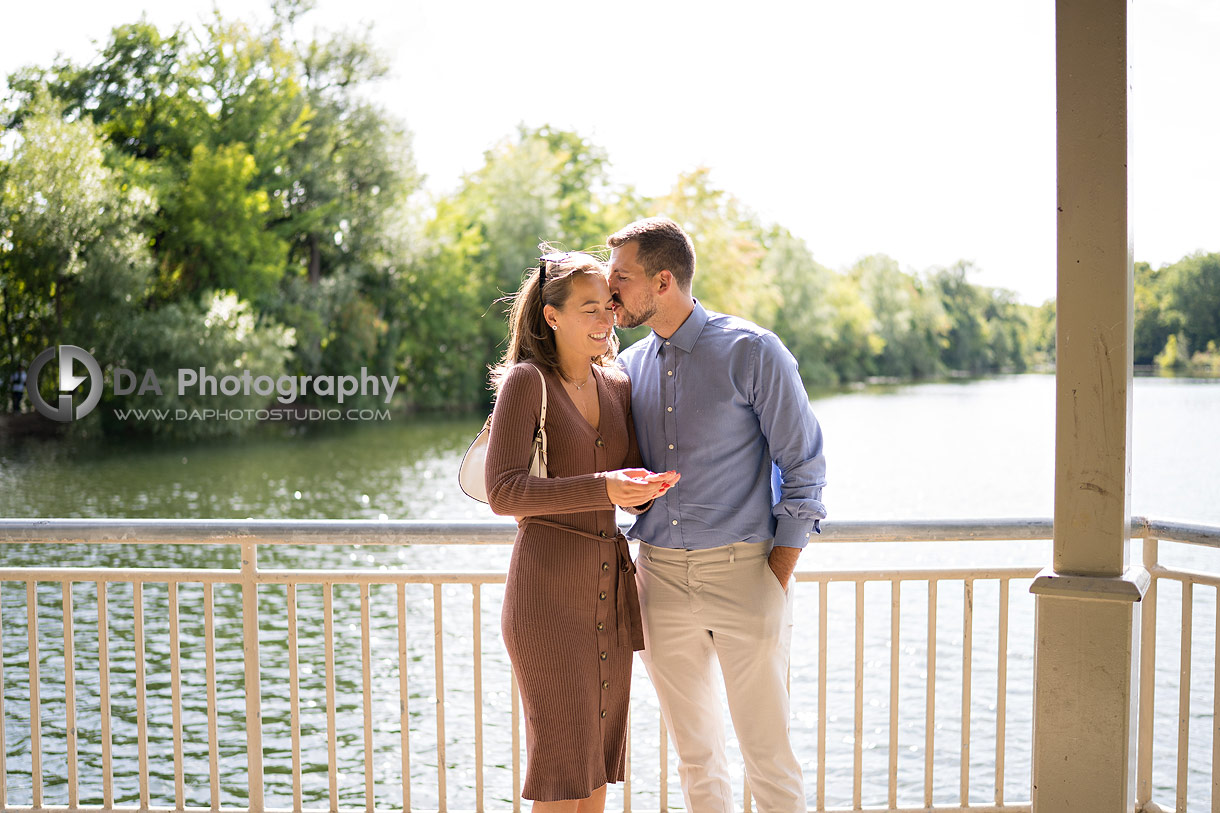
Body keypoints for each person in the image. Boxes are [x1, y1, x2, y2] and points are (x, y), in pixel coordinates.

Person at [608, 217, 827, 813]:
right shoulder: (628, 368)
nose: (610, 290)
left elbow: (804, 467)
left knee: (769, 758)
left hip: (745, 574)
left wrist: (772, 576)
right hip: (658, 582)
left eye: (621, 278)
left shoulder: (752, 352)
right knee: (696, 760)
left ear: (662, 281)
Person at [484, 248, 680, 812]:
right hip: (547, 598)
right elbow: (504, 491)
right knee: (561, 768)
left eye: (610, 307)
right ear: (552, 316)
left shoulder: (617, 385)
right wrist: (604, 487)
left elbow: (627, 475)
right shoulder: (527, 382)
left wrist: (645, 487)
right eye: (590, 309)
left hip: (607, 598)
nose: (607, 319)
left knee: (596, 767)